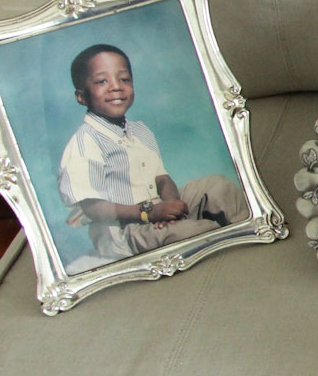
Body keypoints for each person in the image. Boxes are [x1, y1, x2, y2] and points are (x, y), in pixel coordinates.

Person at [57, 43, 247, 266]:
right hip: (123, 232)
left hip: (156, 209)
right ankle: (230, 256)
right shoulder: (84, 143)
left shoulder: (140, 131)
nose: (116, 87)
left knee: (219, 186)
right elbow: (94, 207)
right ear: (81, 97)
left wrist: (172, 205)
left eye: (124, 79)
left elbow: (162, 179)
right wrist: (149, 214)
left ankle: (248, 234)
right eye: (101, 81)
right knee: (199, 231)